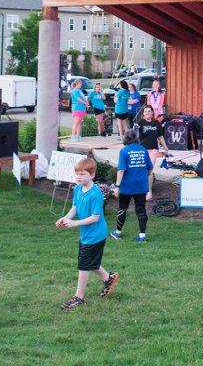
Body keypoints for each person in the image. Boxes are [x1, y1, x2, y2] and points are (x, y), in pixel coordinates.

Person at [55, 157, 118, 310]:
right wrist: (65, 218)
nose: (78, 177)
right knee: (91, 262)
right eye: (77, 174)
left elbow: (95, 217)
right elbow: (74, 208)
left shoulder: (95, 194)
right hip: (86, 234)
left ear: (92, 175)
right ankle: (108, 278)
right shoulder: (77, 189)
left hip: (96, 235)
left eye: (82, 174)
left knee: (84, 265)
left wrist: (75, 223)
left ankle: (79, 297)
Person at [110, 131, 153, 243]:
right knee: (141, 209)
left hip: (127, 185)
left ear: (125, 139)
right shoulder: (143, 150)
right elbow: (150, 168)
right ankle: (142, 235)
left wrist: (117, 186)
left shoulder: (124, 151)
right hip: (141, 185)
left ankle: (118, 233)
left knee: (122, 208)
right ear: (136, 138)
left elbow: (121, 170)